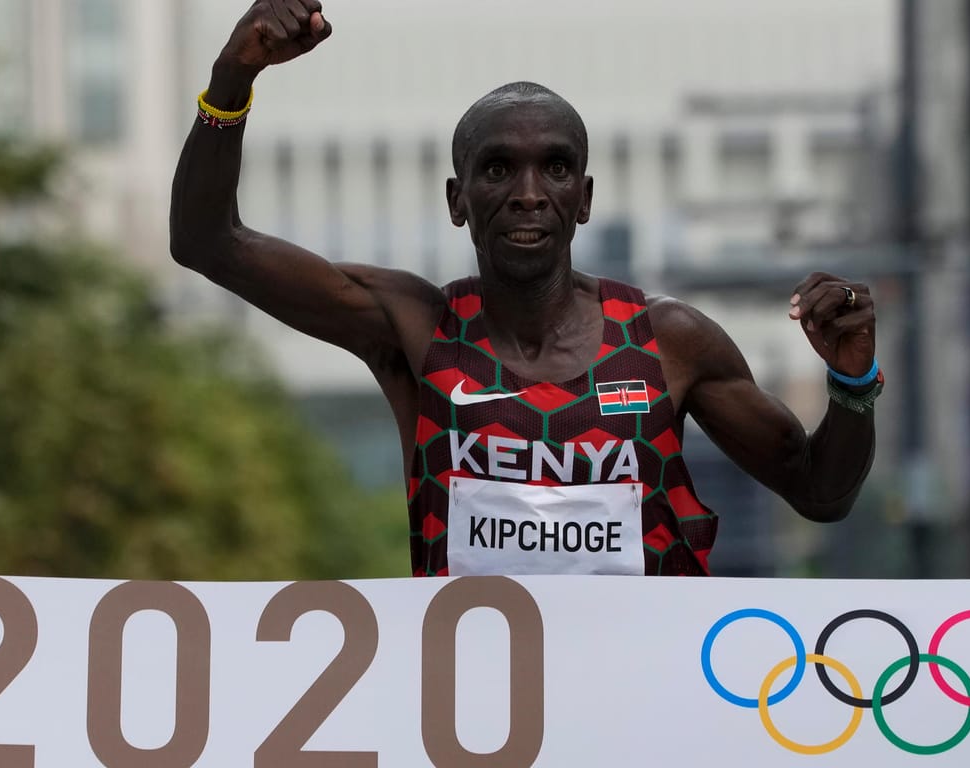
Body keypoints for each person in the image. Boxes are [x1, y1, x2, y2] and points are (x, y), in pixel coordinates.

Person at [170, 0, 881, 577]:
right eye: (498, 169)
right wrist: (234, 78)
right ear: (458, 199)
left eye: (556, 169)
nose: (529, 194)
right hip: (479, 725)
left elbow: (820, 493)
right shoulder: (413, 328)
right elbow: (207, 243)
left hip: (643, 718)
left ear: (586, 198)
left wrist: (852, 383)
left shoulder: (668, 341)